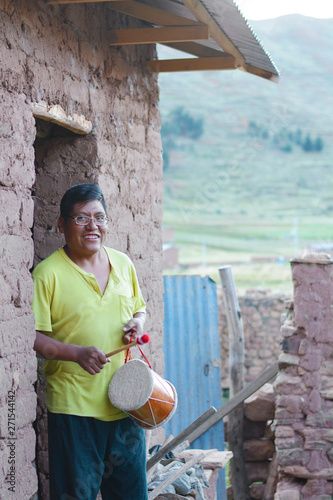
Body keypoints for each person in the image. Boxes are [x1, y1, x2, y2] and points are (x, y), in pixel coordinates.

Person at [32, 183, 148, 500]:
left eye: (99, 217)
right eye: (81, 218)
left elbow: (140, 307)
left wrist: (137, 324)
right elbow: (32, 337)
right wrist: (75, 353)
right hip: (74, 409)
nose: (93, 226)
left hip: (126, 404)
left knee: (131, 494)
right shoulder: (48, 274)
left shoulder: (123, 264)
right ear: (62, 224)